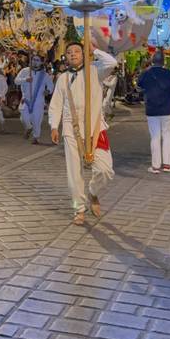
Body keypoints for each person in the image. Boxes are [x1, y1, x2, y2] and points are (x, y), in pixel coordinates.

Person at [49, 42, 116, 224]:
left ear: (84, 54)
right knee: (74, 172)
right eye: (69, 52)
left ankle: (93, 191)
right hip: (71, 129)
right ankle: (79, 208)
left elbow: (111, 63)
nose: (73, 54)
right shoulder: (62, 78)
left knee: (105, 170)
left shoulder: (95, 71)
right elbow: (56, 103)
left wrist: (95, 50)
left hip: (95, 127)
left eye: (77, 51)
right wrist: (54, 125)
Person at [138, 51, 170, 173]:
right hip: (166, 108)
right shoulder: (169, 73)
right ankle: (167, 165)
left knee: (155, 136)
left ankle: (155, 166)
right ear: (163, 61)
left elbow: (138, 88)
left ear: (152, 60)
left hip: (151, 109)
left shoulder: (145, 73)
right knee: (167, 135)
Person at [15, 55, 54, 144]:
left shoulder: (44, 75)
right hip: (26, 99)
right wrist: (25, 79)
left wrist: (48, 91)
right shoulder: (25, 71)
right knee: (23, 117)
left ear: (41, 62)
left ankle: (36, 137)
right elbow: (16, 81)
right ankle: (29, 127)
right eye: (33, 59)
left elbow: (51, 85)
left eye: (37, 60)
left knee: (37, 119)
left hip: (38, 100)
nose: (35, 61)